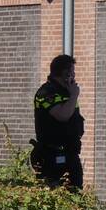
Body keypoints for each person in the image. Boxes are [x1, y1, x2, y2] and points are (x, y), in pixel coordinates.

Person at [33, 54, 85, 189]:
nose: (74, 76)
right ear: (65, 73)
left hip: (71, 154)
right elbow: (63, 116)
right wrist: (74, 95)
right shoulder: (46, 92)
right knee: (54, 195)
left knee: (75, 196)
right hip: (51, 155)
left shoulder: (66, 92)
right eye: (72, 72)